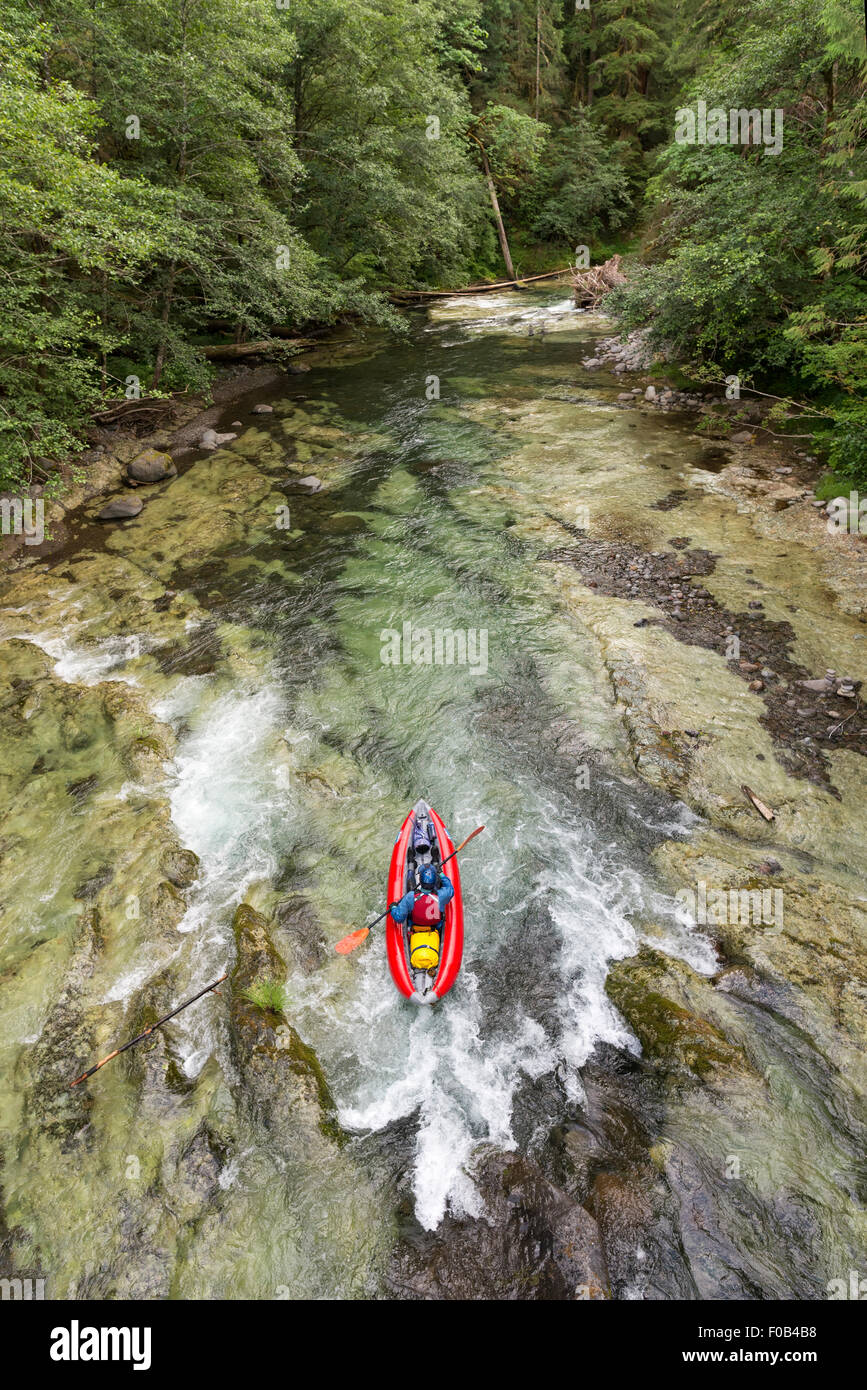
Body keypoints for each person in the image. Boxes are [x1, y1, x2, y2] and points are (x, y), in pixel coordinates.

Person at [389, 863, 454, 929]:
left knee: (411, 887)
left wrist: (393, 907)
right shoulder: (442, 895)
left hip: (415, 925)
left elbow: (399, 918)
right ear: (434, 882)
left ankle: (411, 866)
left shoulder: (410, 896)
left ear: (420, 881)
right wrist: (441, 873)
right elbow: (450, 888)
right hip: (435, 926)